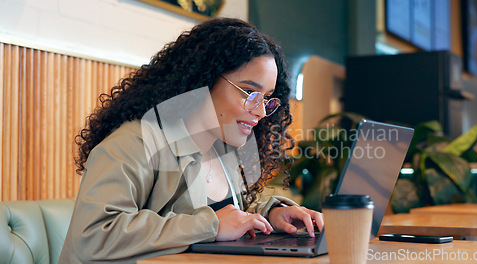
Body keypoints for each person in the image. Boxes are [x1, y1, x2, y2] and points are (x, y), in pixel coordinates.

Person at [59, 18, 323, 264]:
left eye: (266, 98)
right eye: (250, 92)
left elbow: (224, 214)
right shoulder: (135, 143)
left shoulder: (222, 145)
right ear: (203, 80)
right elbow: (92, 236)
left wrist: (270, 215)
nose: (261, 111)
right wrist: (210, 226)